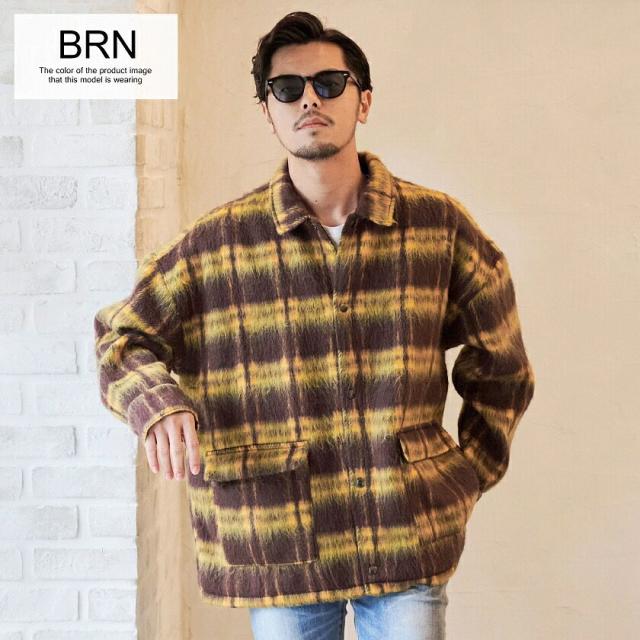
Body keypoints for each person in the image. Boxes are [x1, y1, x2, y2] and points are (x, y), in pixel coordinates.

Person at [94, 10, 535, 640]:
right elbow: (120, 337)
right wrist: (157, 405)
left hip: (404, 532)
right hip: (280, 546)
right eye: (288, 88)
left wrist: (461, 475)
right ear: (268, 112)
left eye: (330, 83)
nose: (310, 99)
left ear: (364, 101)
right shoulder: (217, 245)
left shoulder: (438, 228)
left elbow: (503, 367)